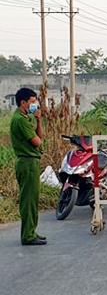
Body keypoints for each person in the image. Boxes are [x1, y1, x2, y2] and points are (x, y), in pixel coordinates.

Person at [10, 88, 46, 245]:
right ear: (23, 102)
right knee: (28, 200)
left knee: (33, 199)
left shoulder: (27, 117)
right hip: (27, 162)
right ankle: (28, 235)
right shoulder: (20, 120)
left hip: (31, 161)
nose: (34, 105)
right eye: (32, 102)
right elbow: (37, 141)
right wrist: (39, 138)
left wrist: (38, 120)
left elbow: (40, 136)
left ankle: (31, 231)